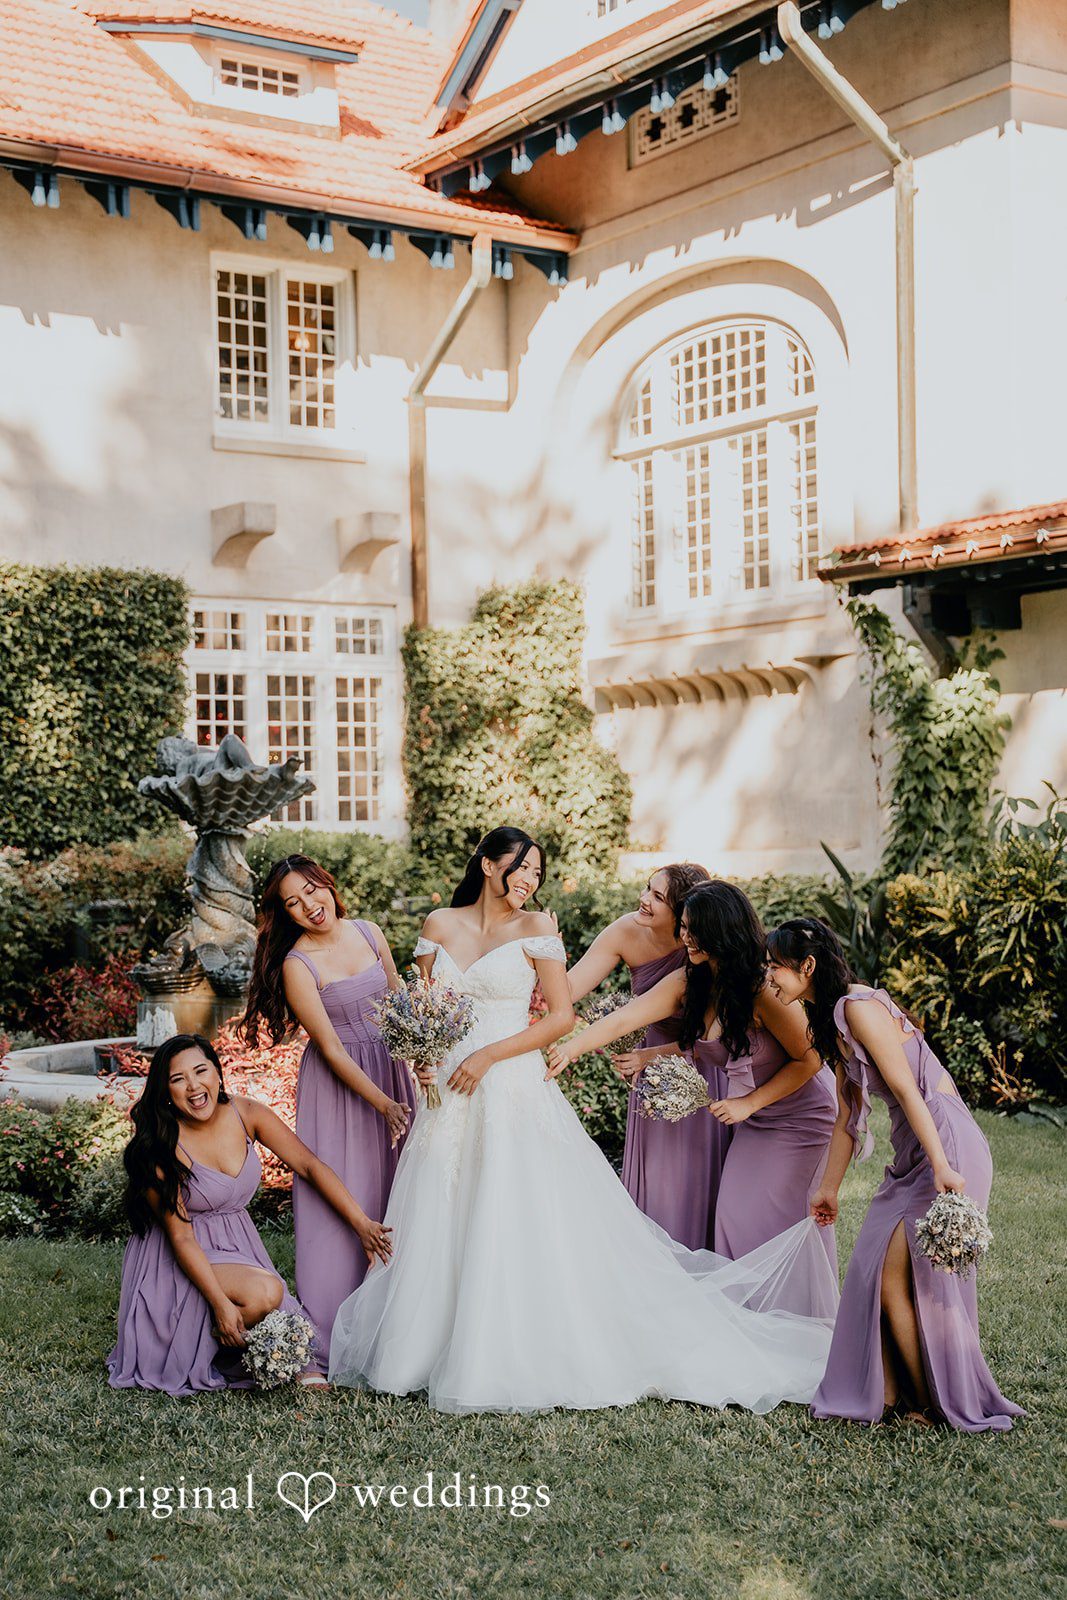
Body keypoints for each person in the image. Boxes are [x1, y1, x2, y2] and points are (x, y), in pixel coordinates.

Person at [329, 827, 838, 1415]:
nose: (530, 880)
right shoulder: (440, 926)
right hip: (450, 1087)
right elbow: (436, 1010)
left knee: (518, 1205)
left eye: (538, 872)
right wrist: (427, 1054)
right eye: (522, 867)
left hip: (520, 1079)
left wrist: (511, 1049)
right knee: (444, 1203)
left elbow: (564, 1010)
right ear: (488, 864)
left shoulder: (548, 933)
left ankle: (513, 1341)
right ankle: (424, 1343)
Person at [766, 917, 1023, 1431]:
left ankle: (929, 1406)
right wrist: (828, 1188)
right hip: (912, 1152)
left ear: (808, 967)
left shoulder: (858, 1008)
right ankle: (893, 1396)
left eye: (775, 966)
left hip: (942, 1143)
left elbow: (908, 1090)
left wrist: (945, 1167)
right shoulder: (830, 1020)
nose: (768, 976)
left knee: (903, 1282)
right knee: (869, 1270)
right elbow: (846, 1114)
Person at [552, 881, 836, 1264]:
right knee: (732, 1217)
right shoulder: (691, 981)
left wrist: (748, 1104)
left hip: (800, 1117)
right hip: (755, 1120)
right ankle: (746, 1318)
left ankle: (788, 1314)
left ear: (722, 930)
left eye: (693, 929)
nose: (684, 937)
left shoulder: (761, 988)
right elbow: (626, 1019)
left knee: (766, 1220)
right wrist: (571, 1047)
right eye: (683, 926)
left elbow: (811, 1059)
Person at [107, 1033, 391, 1394]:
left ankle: (260, 1348)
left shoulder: (246, 1114)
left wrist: (361, 1223)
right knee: (267, 1292)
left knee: (275, 1303)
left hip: (236, 1249)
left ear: (217, 1073)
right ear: (165, 1090)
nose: (194, 1086)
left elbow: (309, 1165)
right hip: (176, 1259)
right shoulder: (158, 1147)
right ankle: (198, 1338)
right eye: (178, 1079)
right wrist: (222, 1304)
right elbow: (181, 1237)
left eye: (200, 1071)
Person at [240, 854, 418, 1379]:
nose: (308, 907)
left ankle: (398, 1327)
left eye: (311, 891)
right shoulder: (298, 965)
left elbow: (402, 1002)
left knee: (402, 1187)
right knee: (347, 1193)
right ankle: (329, 1338)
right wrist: (381, 1102)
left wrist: (423, 1057)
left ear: (328, 885)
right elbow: (335, 1051)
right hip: (342, 1089)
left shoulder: (369, 931)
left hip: (392, 1068)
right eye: (292, 903)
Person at [564, 862, 717, 1246]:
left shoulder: (705, 945)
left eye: (656, 896)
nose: (642, 900)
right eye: (647, 888)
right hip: (656, 1075)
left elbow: (721, 1034)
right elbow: (568, 990)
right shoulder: (626, 930)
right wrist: (548, 954)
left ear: (683, 912)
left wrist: (653, 1057)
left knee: (702, 1178)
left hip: (704, 1068)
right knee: (659, 1181)